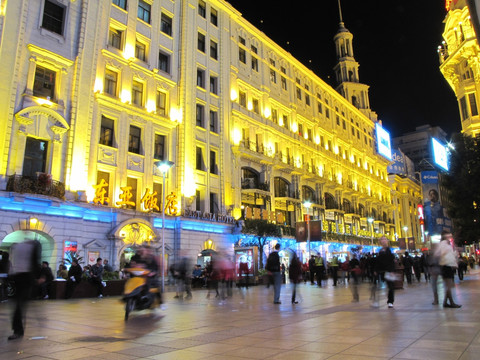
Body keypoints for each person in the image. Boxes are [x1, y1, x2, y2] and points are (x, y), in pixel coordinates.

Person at [8, 239, 42, 340]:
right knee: (19, 304)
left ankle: (18, 330)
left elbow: (35, 263)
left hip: (24, 277)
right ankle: (18, 330)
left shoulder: (22, 246)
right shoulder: (28, 247)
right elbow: (35, 263)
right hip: (22, 277)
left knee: (19, 304)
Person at [435, 231, 462, 308]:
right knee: (449, 286)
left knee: (448, 285)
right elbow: (438, 254)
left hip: (448, 266)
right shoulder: (443, 244)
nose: (450, 237)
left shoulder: (448, 244)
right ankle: (451, 302)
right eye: (449, 236)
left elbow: (451, 255)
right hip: (445, 266)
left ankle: (445, 302)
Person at [372, 236, 395, 308]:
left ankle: (390, 301)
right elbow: (378, 262)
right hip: (381, 271)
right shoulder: (380, 251)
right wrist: (375, 270)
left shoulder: (389, 251)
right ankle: (376, 301)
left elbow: (392, 261)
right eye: (382, 239)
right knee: (377, 287)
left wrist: (392, 270)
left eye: (385, 239)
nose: (383, 241)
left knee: (391, 287)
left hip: (388, 271)